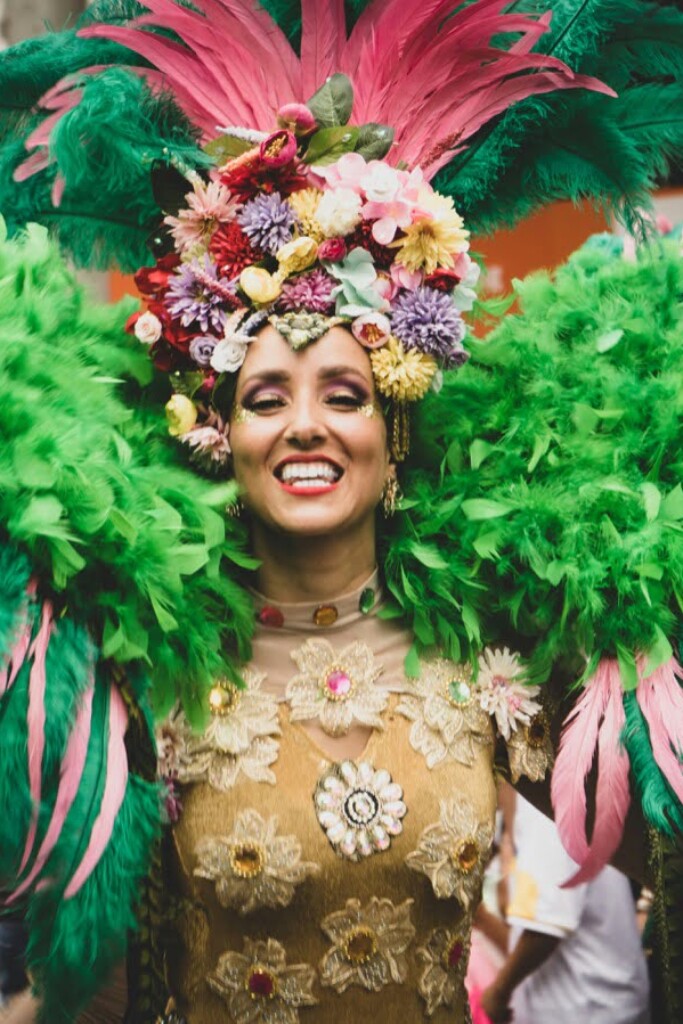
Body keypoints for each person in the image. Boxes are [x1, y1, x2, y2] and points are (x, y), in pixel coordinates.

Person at [1, 2, 683, 1023]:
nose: (306, 427)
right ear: (216, 429)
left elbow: (623, 861)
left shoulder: (496, 656)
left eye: (346, 393)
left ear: (393, 426)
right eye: (266, 397)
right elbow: (91, 982)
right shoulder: (147, 674)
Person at [481, 794, 650, 1024]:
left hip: (589, 1008)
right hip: (588, 1002)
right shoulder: (532, 806)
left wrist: (497, 994)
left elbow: (545, 930)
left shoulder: (544, 806)